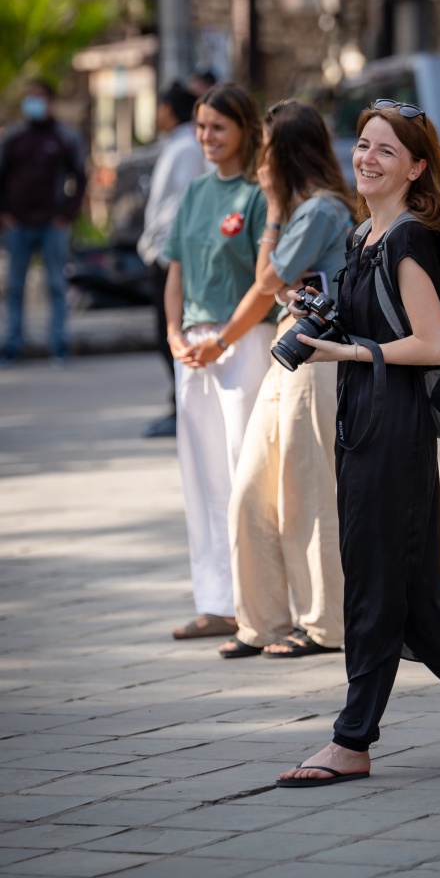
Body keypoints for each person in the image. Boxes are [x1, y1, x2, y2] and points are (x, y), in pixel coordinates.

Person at [276, 99, 440, 787]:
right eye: (362, 145)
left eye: (386, 150)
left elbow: (431, 345)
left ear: (417, 167)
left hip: (394, 429)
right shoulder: (365, 236)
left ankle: (352, 741)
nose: (367, 158)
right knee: (413, 589)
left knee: (373, 587)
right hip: (366, 422)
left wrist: (339, 352)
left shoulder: (411, 239)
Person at [220, 101, 353, 661]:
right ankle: (263, 619)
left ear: (288, 152)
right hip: (288, 348)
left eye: (268, 146)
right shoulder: (306, 210)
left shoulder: (322, 209)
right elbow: (274, 279)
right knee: (252, 489)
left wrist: (273, 207)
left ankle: (326, 624)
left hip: (315, 356)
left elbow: (268, 275)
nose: (260, 157)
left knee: (309, 490)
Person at [163, 84, 275, 640]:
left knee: (242, 471)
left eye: (218, 128)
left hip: (243, 342)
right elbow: (176, 269)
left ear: (244, 130)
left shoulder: (258, 195)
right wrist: (172, 333)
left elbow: (264, 282)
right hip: (193, 345)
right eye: (201, 127)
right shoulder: (195, 192)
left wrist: (224, 339)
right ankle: (215, 600)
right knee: (200, 472)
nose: (207, 137)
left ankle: (256, 603)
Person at [137, 82, 208, 438]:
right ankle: (178, 405)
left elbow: (178, 206)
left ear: (170, 109)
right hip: (165, 252)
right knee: (166, 333)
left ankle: (181, 408)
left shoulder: (185, 148)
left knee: (171, 333)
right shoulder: (179, 144)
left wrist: (164, 253)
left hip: (170, 255)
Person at [0, 79, 86, 365]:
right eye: (30, 97)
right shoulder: (14, 138)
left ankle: (59, 345)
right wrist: (5, 213)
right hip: (18, 225)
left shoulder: (64, 137)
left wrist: (66, 214)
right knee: (15, 287)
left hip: (52, 224)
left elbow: (80, 178)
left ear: (50, 101)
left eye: (39, 97)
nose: (33, 103)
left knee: (56, 285)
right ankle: (12, 345)